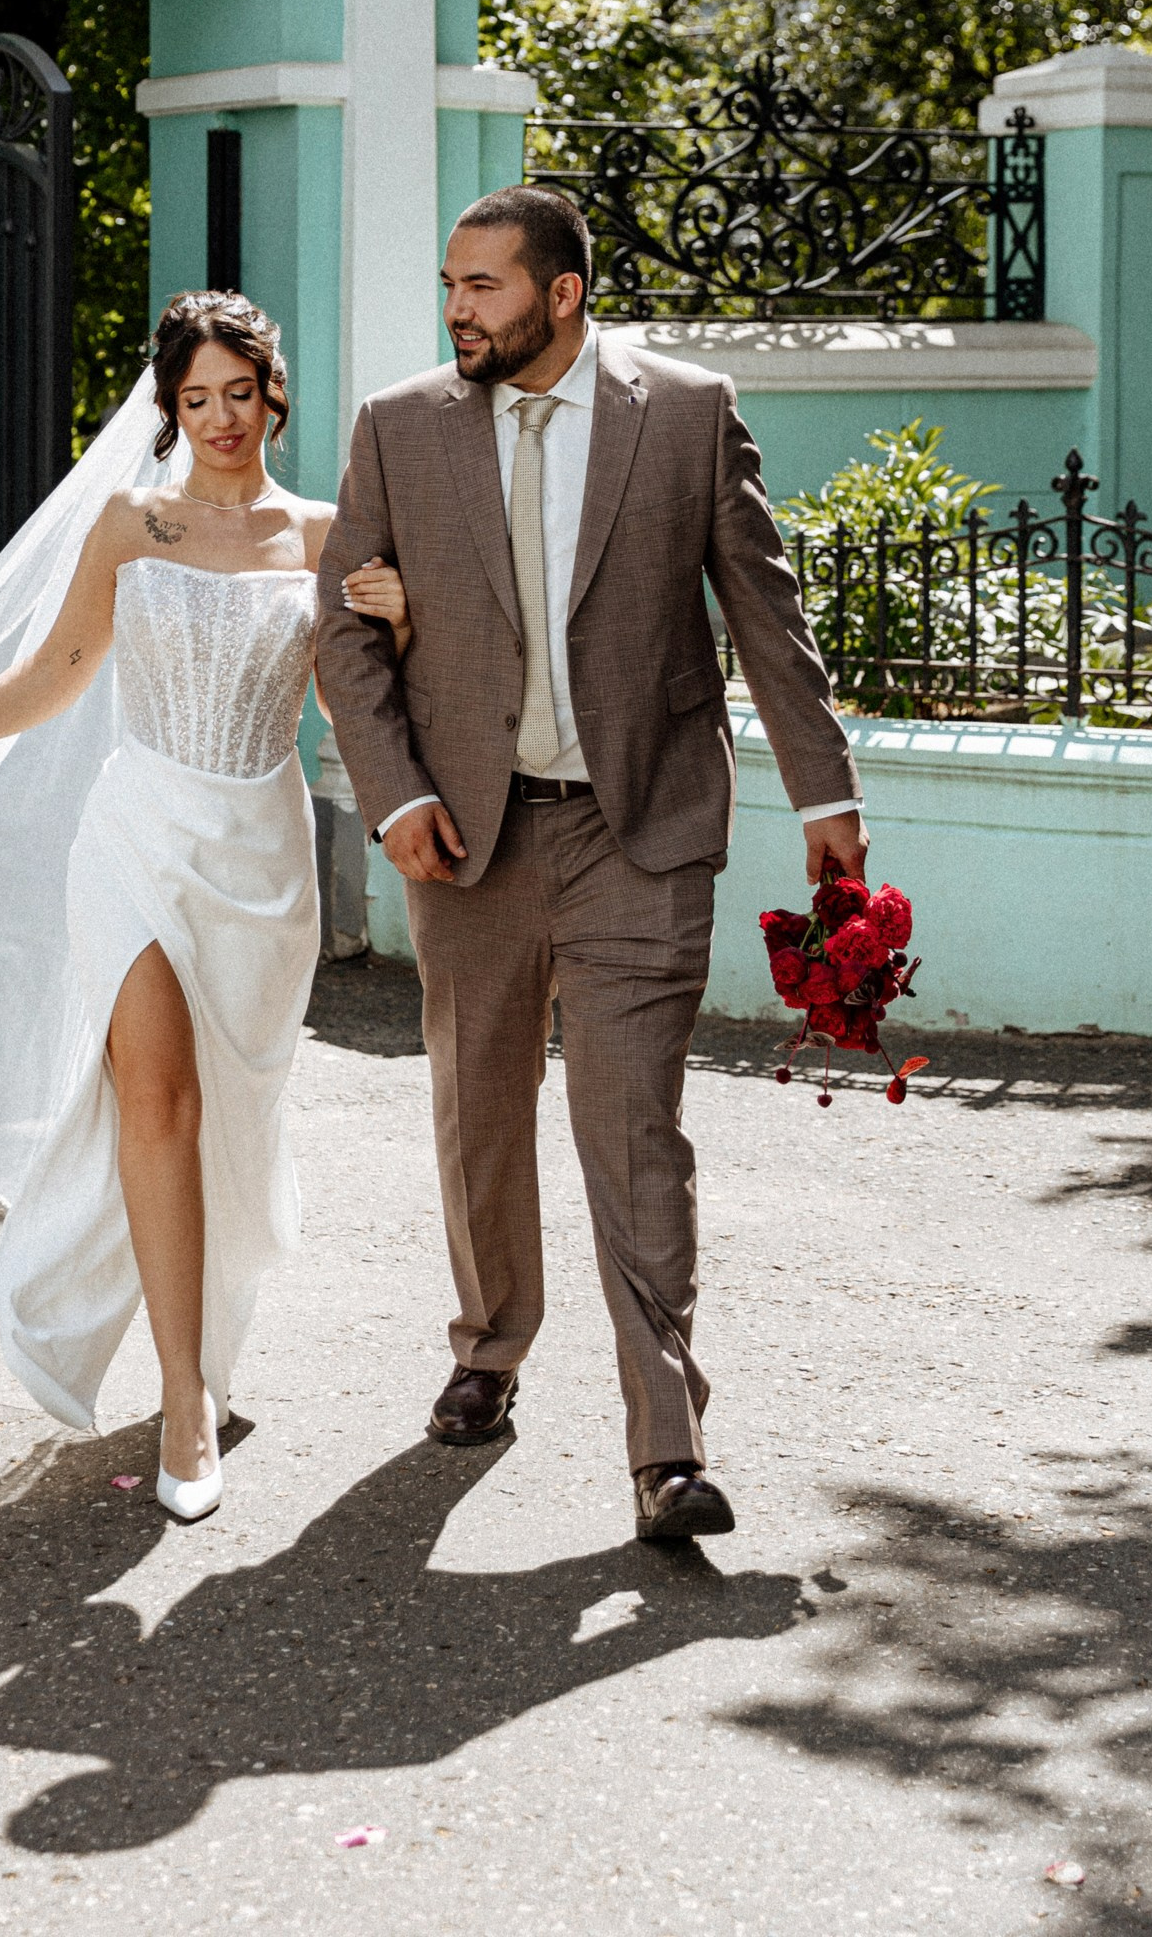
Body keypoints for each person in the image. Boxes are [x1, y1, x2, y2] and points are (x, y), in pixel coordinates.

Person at [315, 186, 866, 1541]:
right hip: (470, 839)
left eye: (486, 286)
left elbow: (763, 607)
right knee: (480, 1111)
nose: (458, 308)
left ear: (562, 295)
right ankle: (490, 1347)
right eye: (451, 283)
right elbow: (340, 627)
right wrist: (392, 801)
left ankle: (664, 1450)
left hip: (643, 827)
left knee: (634, 1132)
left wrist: (826, 797)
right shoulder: (399, 427)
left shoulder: (681, 413)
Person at [0, 293, 407, 1525]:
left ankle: (202, 1335)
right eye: (194, 399)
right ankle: (182, 1395)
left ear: (273, 398)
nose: (218, 420)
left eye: (238, 396)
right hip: (134, 835)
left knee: (230, 1124)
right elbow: (55, 675)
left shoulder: (319, 538)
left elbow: (385, 693)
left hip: (258, 858)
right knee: (158, 1096)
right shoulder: (124, 523)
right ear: (168, 409)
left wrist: (405, 622)